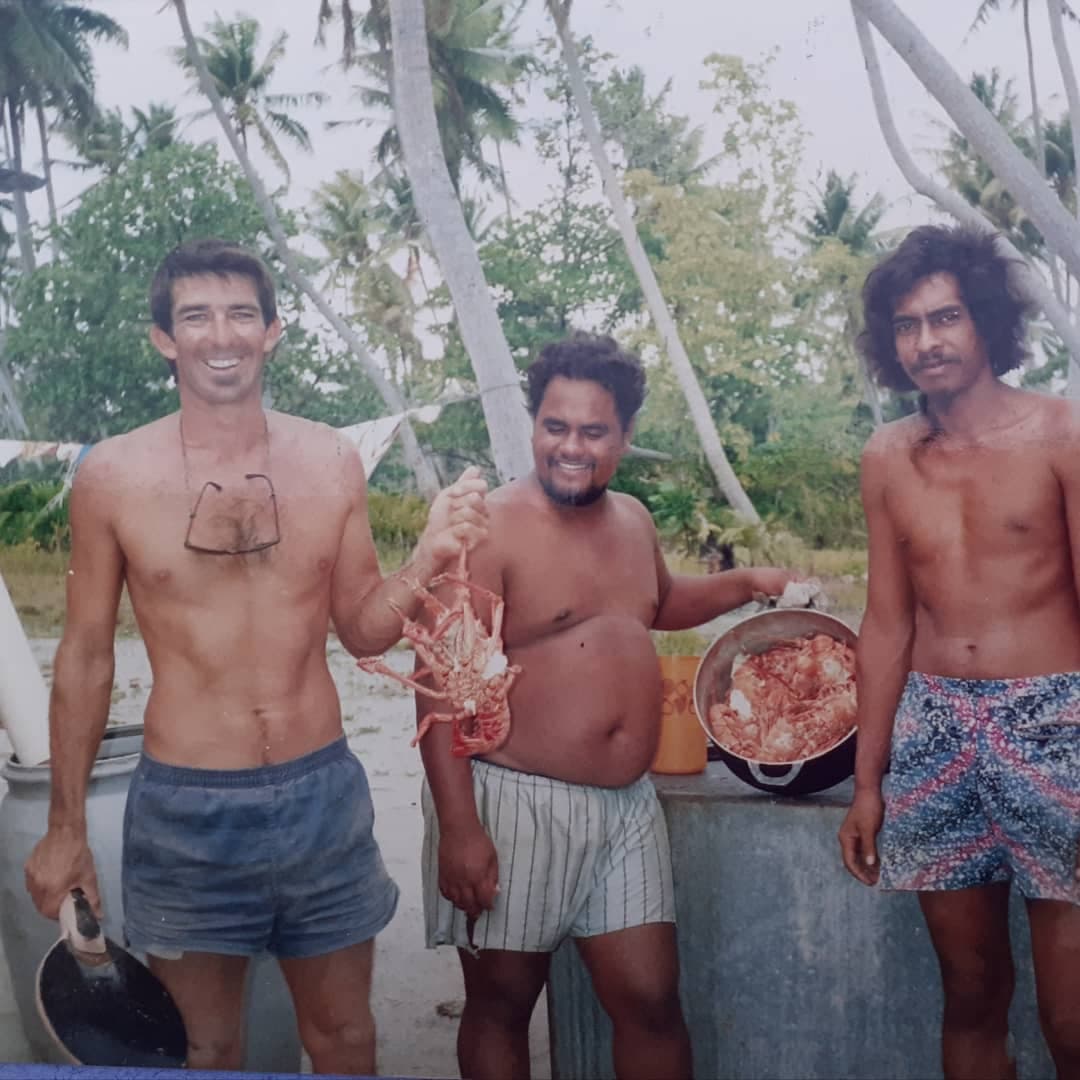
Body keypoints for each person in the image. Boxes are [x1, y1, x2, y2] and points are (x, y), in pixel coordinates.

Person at [24, 238, 487, 1074]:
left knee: (345, 1036)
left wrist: (428, 557)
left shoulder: (331, 461)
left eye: (241, 313)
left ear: (273, 330)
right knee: (204, 1048)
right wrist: (65, 829)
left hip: (322, 794)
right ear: (164, 338)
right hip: (186, 806)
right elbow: (86, 656)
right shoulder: (114, 476)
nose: (220, 334)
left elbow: (364, 629)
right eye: (195, 316)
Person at [417, 333, 795, 1080]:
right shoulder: (487, 530)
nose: (571, 446)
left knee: (653, 1001)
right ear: (534, 425)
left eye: (593, 430)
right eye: (555, 426)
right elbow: (440, 686)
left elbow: (659, 603)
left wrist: (749, 580)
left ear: (624, 434)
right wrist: (460, 827)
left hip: (626, 810)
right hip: (512, 800)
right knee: (501, 1003)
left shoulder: (632, 518)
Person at [837, 224, 1080, 1080]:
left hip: (1057, 724)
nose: (927, 341)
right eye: (906, 325)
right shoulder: (888, 458)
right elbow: (887, 625)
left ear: (985, 322)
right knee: (971, 993)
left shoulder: (1061, 435)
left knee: (1073, 1015)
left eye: (945, 318)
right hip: (935, 730)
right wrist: (868, 784)